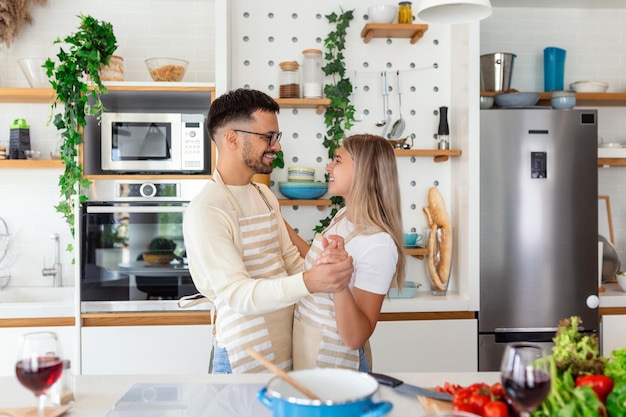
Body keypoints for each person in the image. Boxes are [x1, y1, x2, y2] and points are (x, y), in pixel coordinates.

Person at [183, 88, 354, 374]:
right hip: (243, 352)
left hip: (284, 345)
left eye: (277, 137)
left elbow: (291, 263)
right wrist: (311, 281)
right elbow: (237, 294)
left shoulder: (264, 195)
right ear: (232, 138)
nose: (277, 146)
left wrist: (325, 265)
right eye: (268, 137)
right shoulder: (208, 209)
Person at [292, 134, 406, 372]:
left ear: (363, 171)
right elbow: (315, 265)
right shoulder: (343, 216)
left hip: (338, 365)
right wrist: (276, 218)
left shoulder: (378, 244)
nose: (328, 166)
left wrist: (340, 282)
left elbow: (356, 337)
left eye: (338, 160)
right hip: (311, 351)